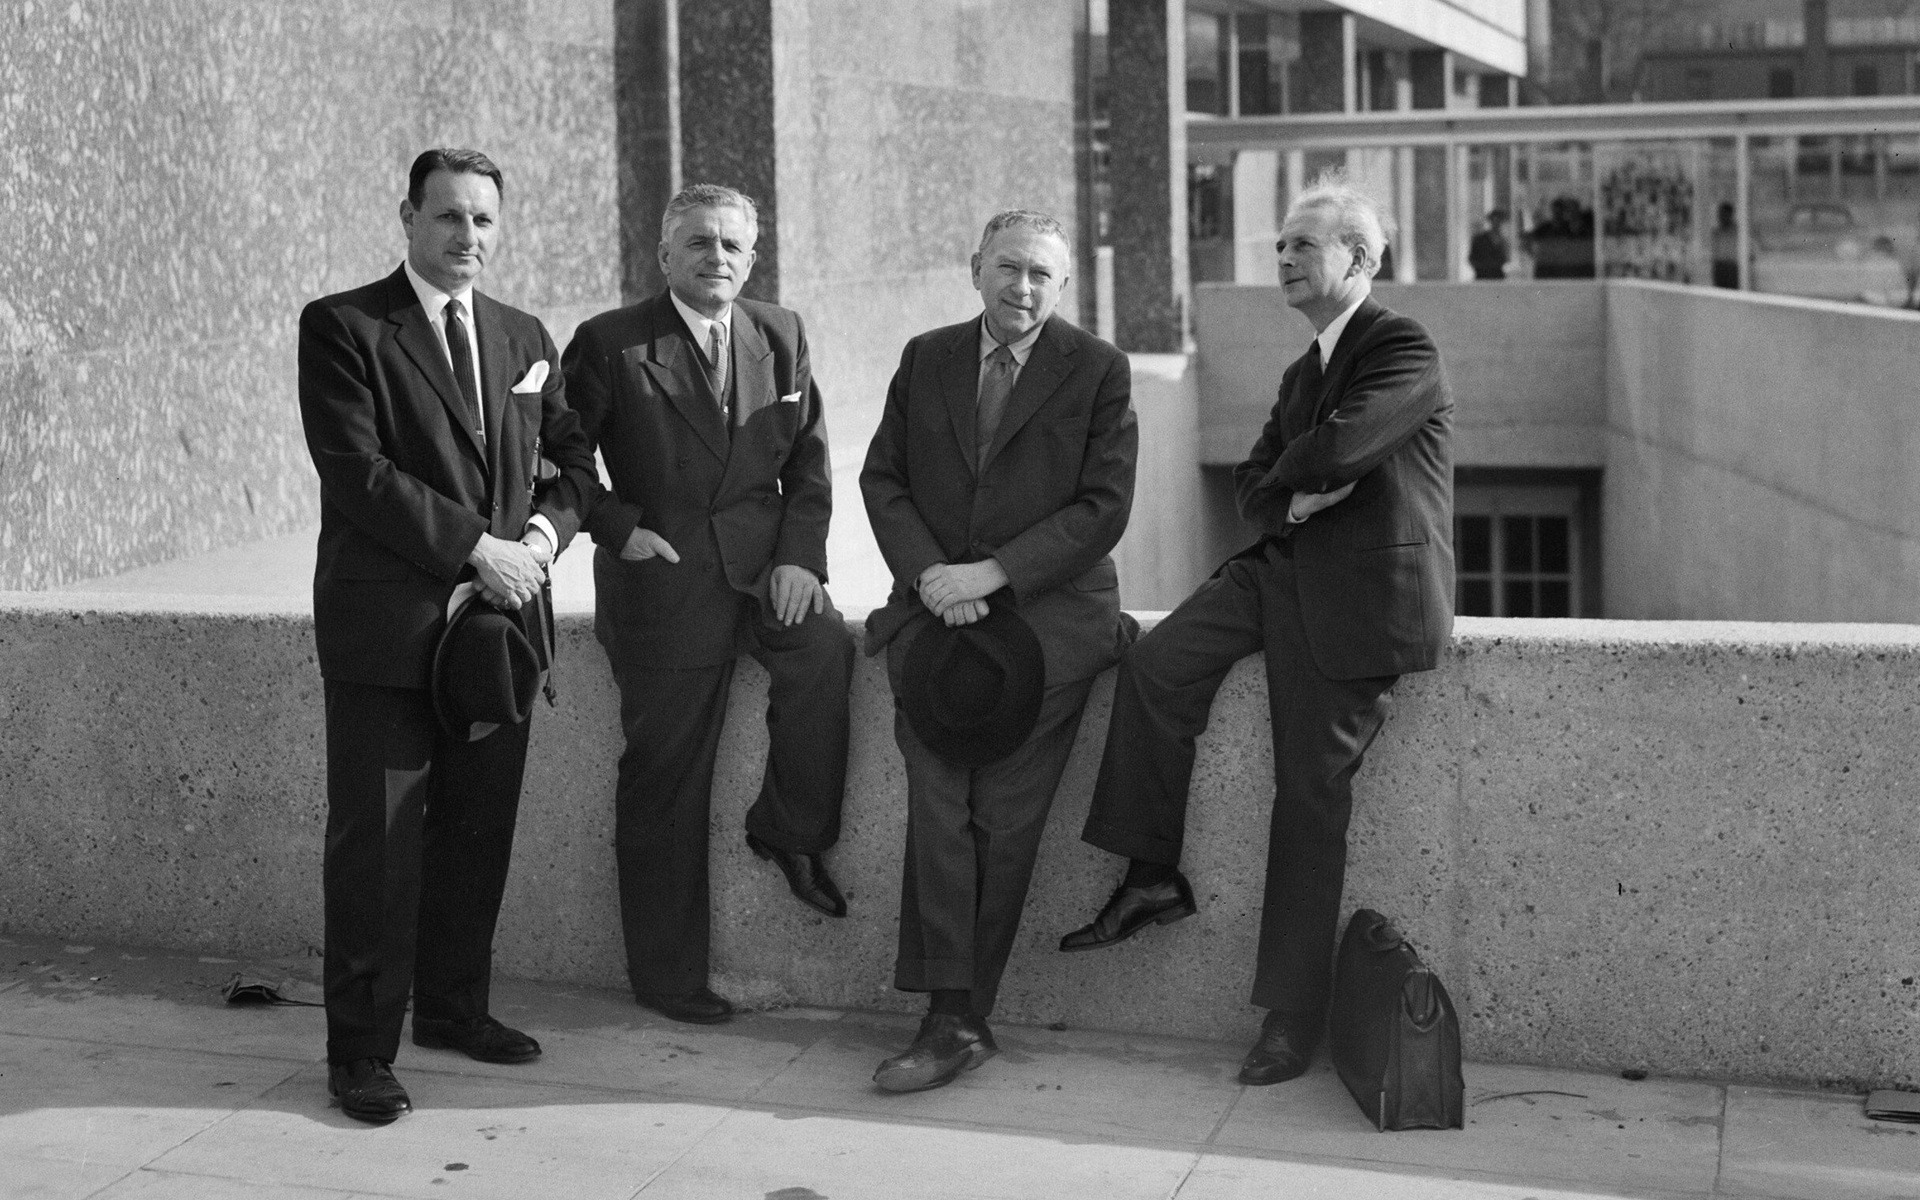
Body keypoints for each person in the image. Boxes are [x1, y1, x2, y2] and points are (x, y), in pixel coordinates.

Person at [1058, 172, 1454, 1087]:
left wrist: (1299, 476)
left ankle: (1291, 1014)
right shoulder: (1303, 370)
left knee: (1309, 799)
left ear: (1361, 257)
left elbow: (1345, 447)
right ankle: (1152, 875)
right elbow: (1253, 485)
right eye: (1279, 244)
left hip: (1359, 601)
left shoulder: (1404, 346)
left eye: (1302, 244)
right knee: (1155, 665)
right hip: (1279, 568)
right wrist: (1295, 498)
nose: (1282, 257)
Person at [297, 148, 599, 1123]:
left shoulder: (523, 335)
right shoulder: (344, 326)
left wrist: (541, 540)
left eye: (484, 220)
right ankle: (360, 1052)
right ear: (408, 217)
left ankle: (454, 1009)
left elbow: (573, 464)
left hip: (500, 633)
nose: (468, 236)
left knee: (477, 830)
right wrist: (479, 548)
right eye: (449, 217)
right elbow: (359, 474)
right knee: (378, 847)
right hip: (389, 634)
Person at [561, 184, 854, 1027]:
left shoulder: (781, 332)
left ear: (752, 259)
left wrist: (800, 558)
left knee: (826, 651)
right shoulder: (611, 343)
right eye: (698, 242)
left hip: (764, 571)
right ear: (665, 255)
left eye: (731, 245)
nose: (715, 257)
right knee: (667, 779)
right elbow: (560, 459)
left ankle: (788, 831)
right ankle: (667, 975)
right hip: (665, 581)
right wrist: (618, 529)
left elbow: (809, 464)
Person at [861, 209, 1138, 1093]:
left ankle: (957, 1018)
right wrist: (932, 576)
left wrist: (993, 573)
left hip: (1048, 621)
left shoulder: (1098, 368)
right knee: (939, 805)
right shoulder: (926, 357)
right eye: (1008, 268)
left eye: (1041, 275)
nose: (1023, 287)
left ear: (1063, 286)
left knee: (1005, 816)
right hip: (938, 615)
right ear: (975, 266)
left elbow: (1103, 507)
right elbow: (883, 478)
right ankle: (951, 1013)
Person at [1469, 209, 1510, 280]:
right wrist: (1480, 268)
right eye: (1494, 220)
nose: (1497, 223)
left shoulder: (1503, 240)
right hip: (1482, 275)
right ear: (1490, 221)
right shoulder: (1479, 239)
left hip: (1497, 275)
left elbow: (1505, 258)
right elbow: (1472, 258)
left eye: (1499, 221)